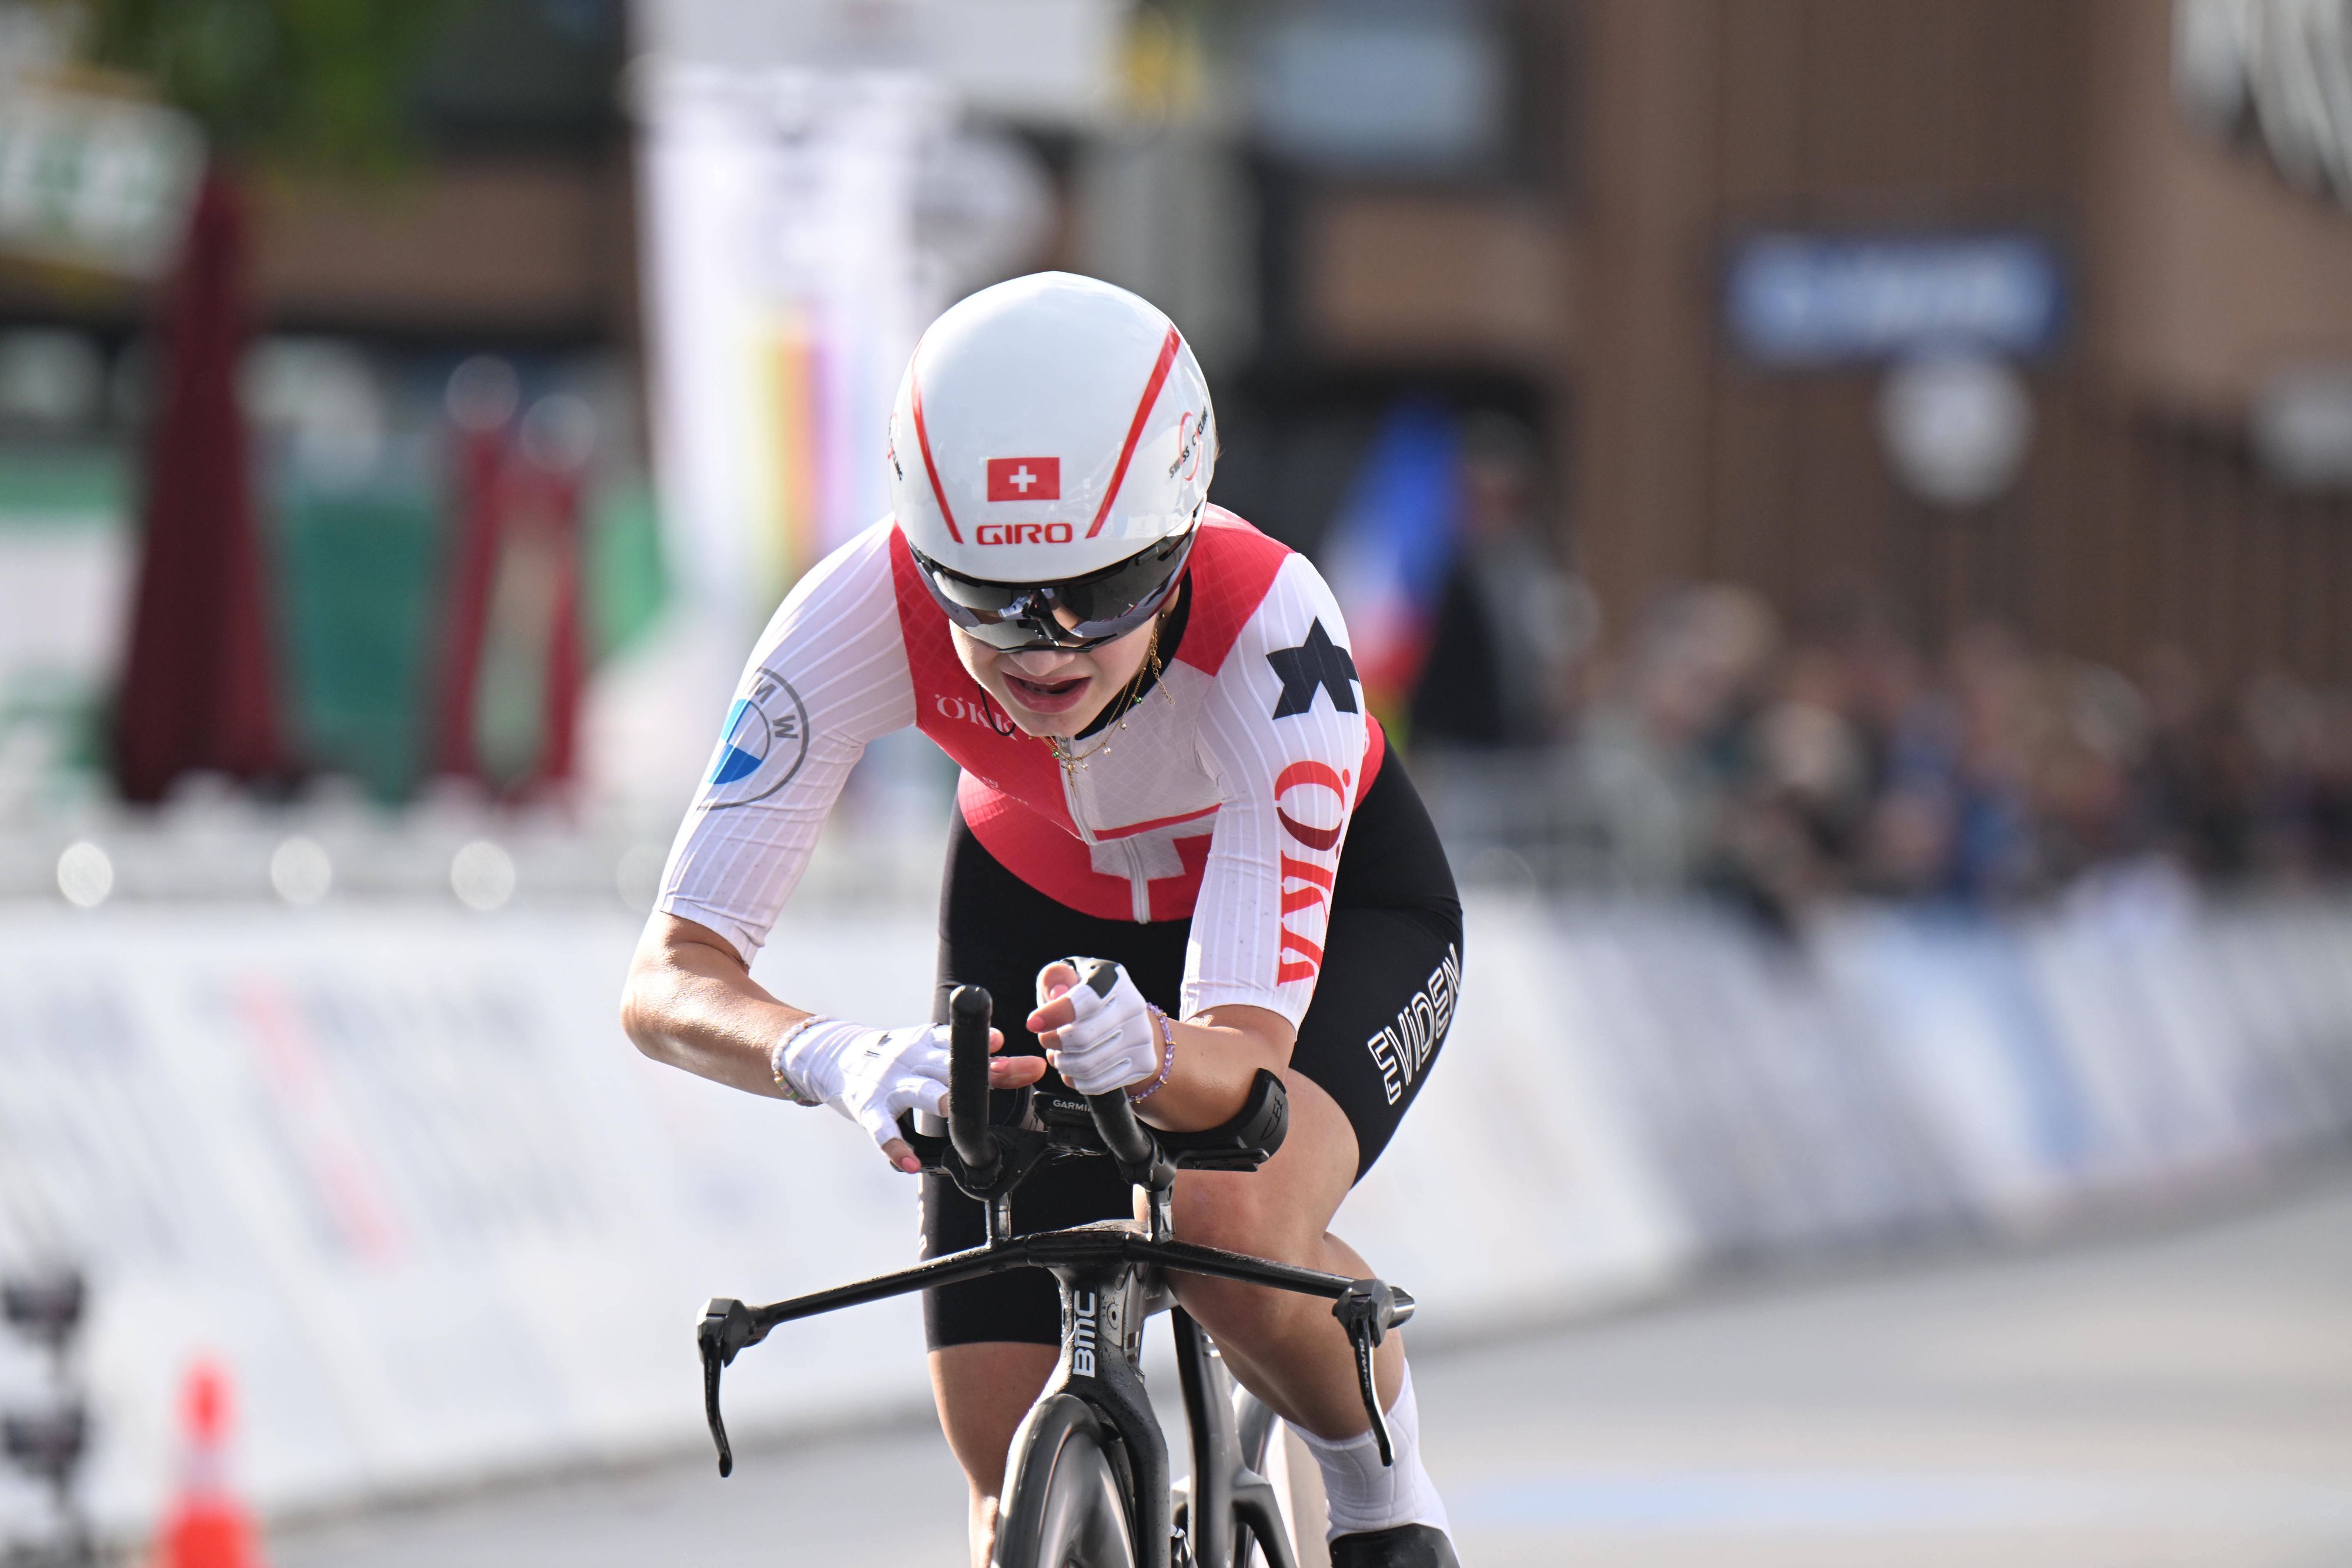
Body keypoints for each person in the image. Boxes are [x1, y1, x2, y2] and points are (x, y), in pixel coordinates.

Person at [620, 273, 1465, 1568]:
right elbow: (670, 975)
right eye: (986, 597)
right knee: (994, 1456)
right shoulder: (857, 606)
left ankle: (1385, 1501)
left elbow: (1244, 1066)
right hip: (1038, 907)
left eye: (1102, 589)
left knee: (1226, 1232)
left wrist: (1163, 1051)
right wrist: (837, 1057)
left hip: (1341, 913)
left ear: (1177, 546)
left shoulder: (1271, 624)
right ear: (921, 553)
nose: (1045, 648)